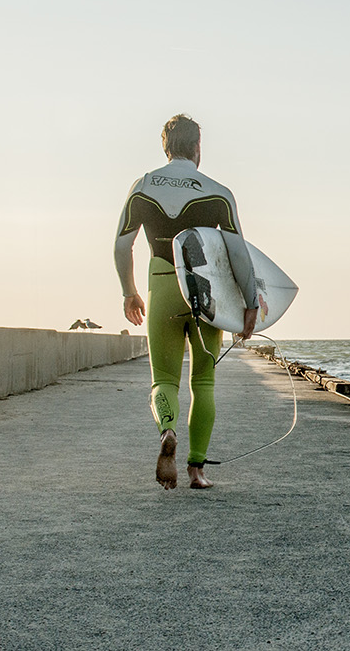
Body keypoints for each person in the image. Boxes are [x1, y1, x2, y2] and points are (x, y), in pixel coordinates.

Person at [115, 114, 258, 490]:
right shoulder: (217, 191)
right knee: (204, 381)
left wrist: (129, 291)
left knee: (163, 378)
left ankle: (167, 430)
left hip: (161, 288)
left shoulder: (143, 187)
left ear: (165, 147)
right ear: (197, 147)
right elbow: (239, 254)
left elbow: (121, 245)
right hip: (204, 295)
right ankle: (197, 471)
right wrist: (249, 302)